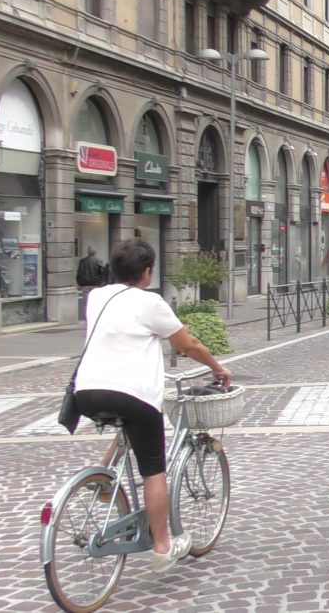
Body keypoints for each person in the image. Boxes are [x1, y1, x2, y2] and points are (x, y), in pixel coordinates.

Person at [74, 238, 231, 573]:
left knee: (126, 427)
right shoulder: (150, 303)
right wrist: (218, 368)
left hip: (86, 392)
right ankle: (162, 547)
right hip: (132, 394)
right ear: (148, 272)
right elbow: (187, 343)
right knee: (153, 469)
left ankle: (103, 482)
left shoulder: (96, 297)